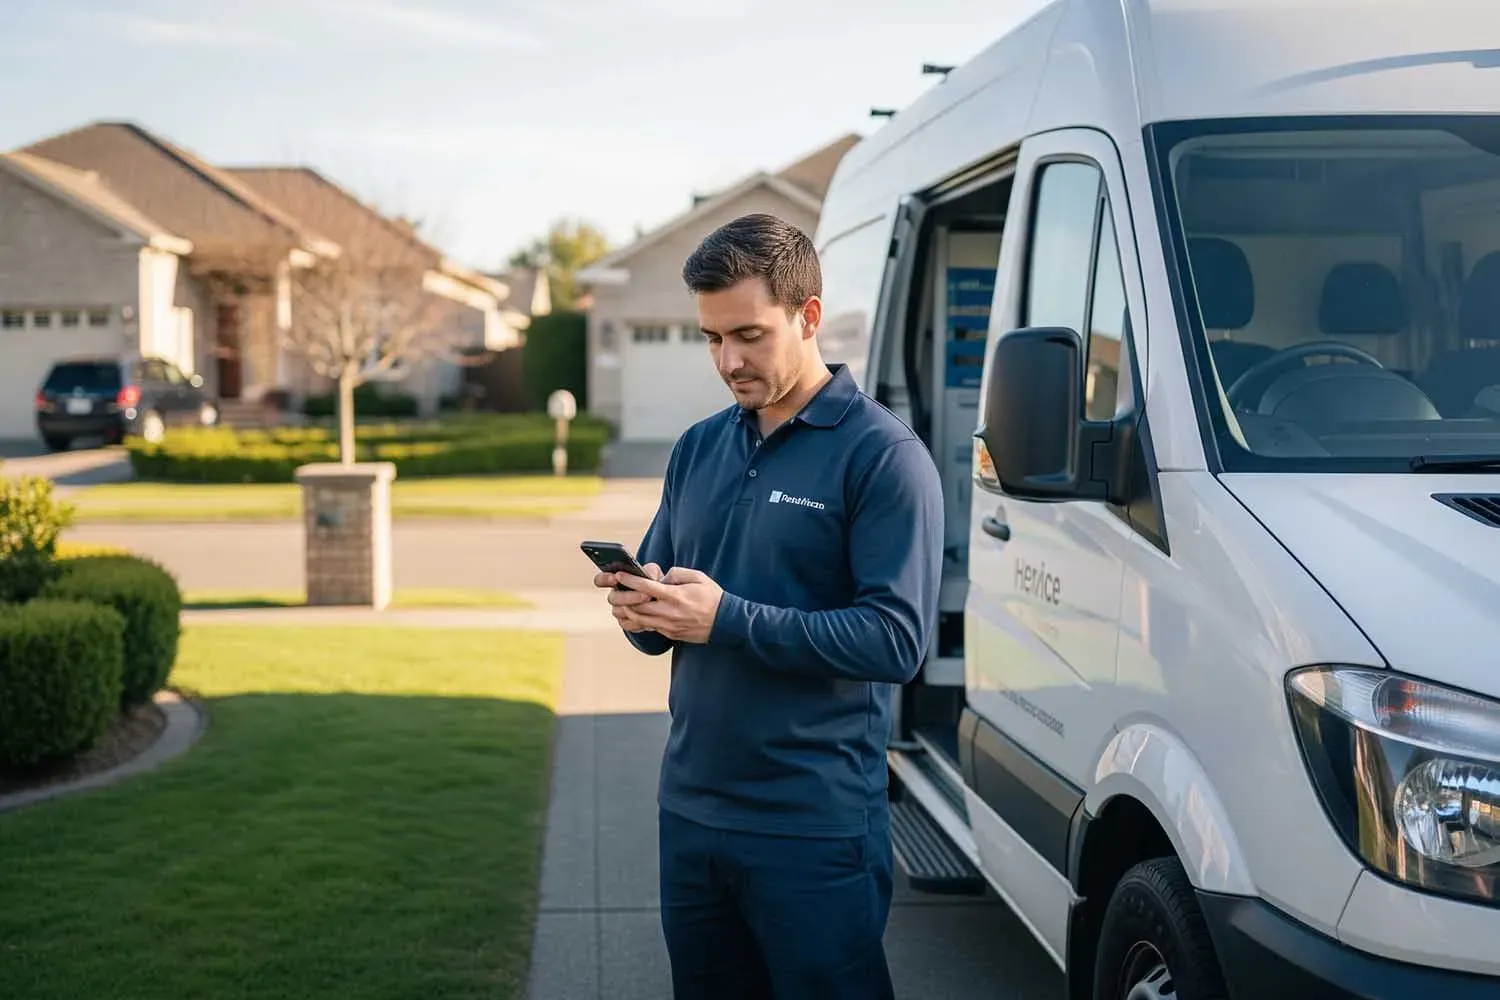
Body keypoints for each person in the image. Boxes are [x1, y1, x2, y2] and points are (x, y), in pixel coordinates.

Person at [592, 212, 944, 1000]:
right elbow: (668, 608)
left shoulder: (884, 456)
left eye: (748, 335)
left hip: (813, 824)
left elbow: (895, 641)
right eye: (712, 339)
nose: (728, 360)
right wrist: (643, 610)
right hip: (691, 811)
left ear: (808, 315)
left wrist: (724, 619)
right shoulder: (698, 446)